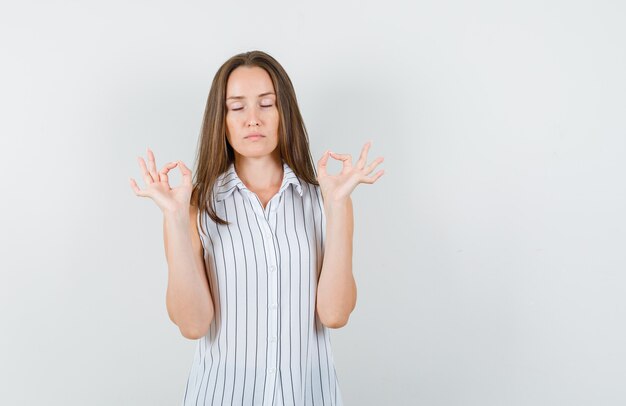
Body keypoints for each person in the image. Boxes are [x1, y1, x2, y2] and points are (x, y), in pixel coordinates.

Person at [129, 50, 384, 406]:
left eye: (267, 104)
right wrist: (174, 217)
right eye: (237, 107)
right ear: (222, 119)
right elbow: (193, 325)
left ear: (285, 114)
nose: (253, 119)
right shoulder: (194, 209)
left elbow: (335, 314)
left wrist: (338, 207)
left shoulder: (326, 201)